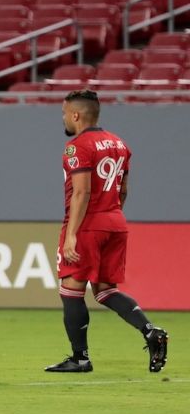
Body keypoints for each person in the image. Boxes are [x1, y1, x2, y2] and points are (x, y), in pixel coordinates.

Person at [46, 89, 168, 373]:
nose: (63, 118)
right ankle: (150, 331)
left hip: (88, 224)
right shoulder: (119, 143)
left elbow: (82, 191)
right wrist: (111, 215)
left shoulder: (77, 147)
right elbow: (123, 189)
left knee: (71, 290)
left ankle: (80, 358)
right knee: (105, 290)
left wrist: (73, 234)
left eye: (64, 113)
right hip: (115, 221)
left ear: (75, 114)